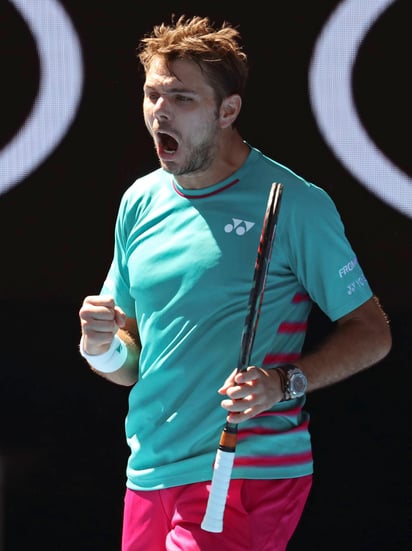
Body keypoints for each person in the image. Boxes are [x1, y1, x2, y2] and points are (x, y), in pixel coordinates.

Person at [78, 15, 392, 551]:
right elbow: (133, 367)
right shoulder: (139, 202)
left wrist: (284, 382)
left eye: (182, 98)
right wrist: (100, 348)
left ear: (228, 111)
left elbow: (372, 332)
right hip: (150, 472)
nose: (160, 112)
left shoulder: (295, 203)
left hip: (244, 470)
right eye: (153, 94)